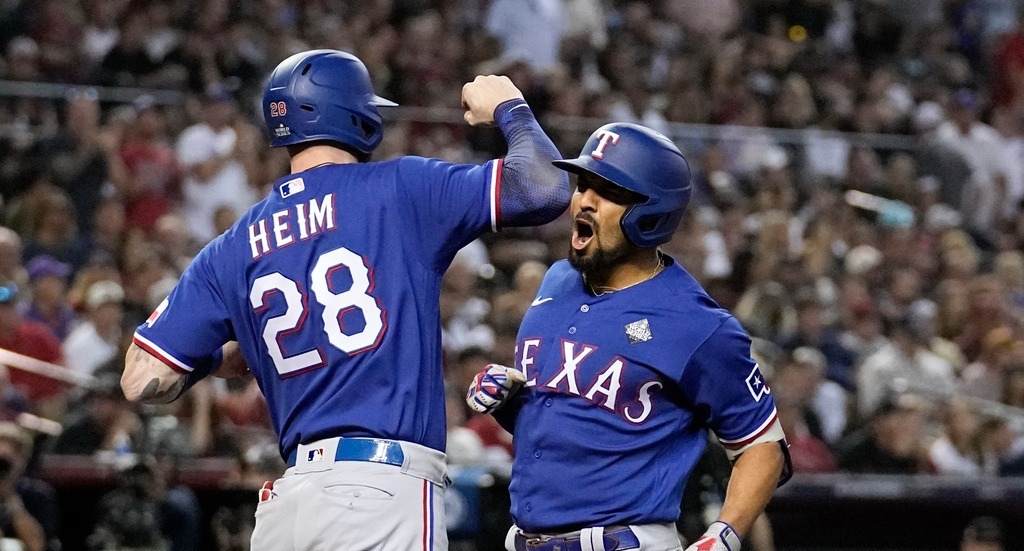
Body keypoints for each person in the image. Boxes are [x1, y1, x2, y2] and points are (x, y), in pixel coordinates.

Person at [120, 49, 570, 551]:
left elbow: (142, 379)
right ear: (357, 115)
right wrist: (512, 107)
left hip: (288, 506)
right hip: (379, 492)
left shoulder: (231, 245)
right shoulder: (400, 188)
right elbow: (543, 188)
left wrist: (238, 351)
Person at [466, 123, 790, 551]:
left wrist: (723, 535)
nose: (585, 201)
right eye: (583, 184)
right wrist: (512, 400)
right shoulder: (558, 280)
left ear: (651, 214)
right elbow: (577, 418)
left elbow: (763, 447)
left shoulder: (696, 323)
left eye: (608, 192)